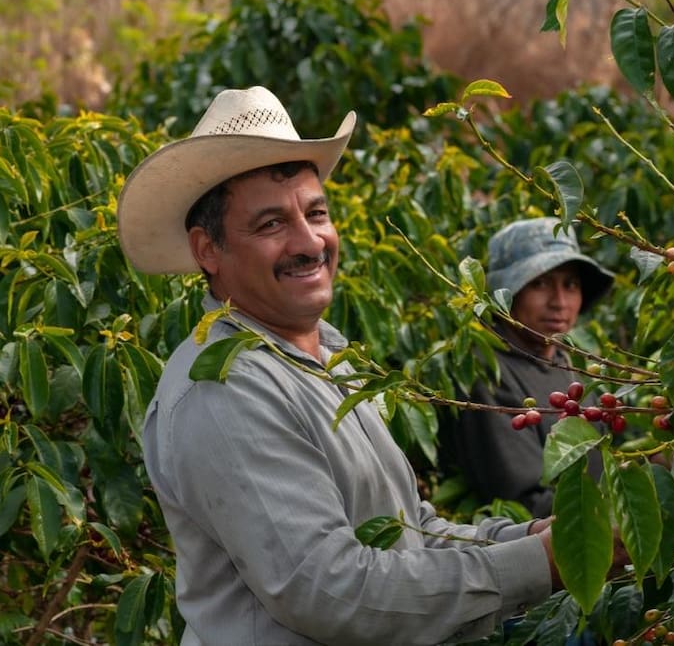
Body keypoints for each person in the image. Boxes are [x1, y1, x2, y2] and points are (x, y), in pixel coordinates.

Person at [117, 86, 560, 645]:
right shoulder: (225, 388)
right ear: (208, 250)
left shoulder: (328, 355)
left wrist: (536, 539)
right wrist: (537, 564)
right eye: (271, 224)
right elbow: (329, 590)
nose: (309, 242)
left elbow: (405, 531)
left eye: (316, 212)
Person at [440, 217, 614, 518]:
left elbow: (611, 459)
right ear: (507, 293)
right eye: (539, 283)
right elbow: (528, 502)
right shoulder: (487, 372)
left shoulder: (571, 362)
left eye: (570, 284)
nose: (559, 302)